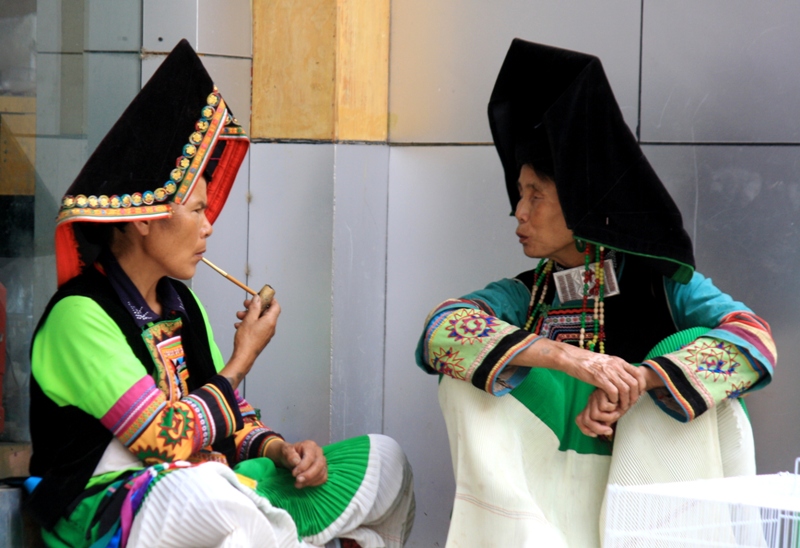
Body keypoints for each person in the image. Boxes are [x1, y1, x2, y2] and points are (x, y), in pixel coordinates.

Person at [28, 40, 414, 548]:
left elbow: (227, 421)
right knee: (214, 495)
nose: (209, 227)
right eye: (196, 210)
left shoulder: (182, 305)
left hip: (210, 484)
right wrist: (242, 361)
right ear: (145, 217)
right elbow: (164, 441)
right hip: (112, 506)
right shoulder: (80, 315)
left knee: (385, 461)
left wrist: (280, 451)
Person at [415, 39, 775, 547]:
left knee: (683, 349)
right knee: (463, 368)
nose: (519, 211)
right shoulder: (523, 295)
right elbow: (440, 330)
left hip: (653, 496)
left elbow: (755, 340)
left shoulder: (662, 283)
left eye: (535, 195)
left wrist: (641, 383)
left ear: (582, 204)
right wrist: (575, 363)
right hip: (552, 488)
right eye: (521, 193)